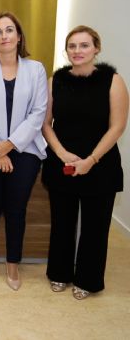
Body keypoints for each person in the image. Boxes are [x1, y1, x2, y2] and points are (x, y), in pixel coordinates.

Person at [41, 26, 128, 300]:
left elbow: (117, 127)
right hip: (62, 162)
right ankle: (59, 274)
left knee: (95, 227)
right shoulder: (56, 80)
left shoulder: (112, 81)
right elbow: (45, 124)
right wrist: (61, 153)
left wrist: (91, 160)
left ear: (96, 48)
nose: (77, 51)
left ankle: (88, 280)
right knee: (62, 223)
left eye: (84, 45)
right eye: (72, 46)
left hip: (100, 165)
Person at [0, 11, 47, 290]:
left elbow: (38, 113)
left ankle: (13, 264)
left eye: (9, 30)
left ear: (19, 35)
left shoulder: (36, 69)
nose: (4, 36)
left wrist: (10, 145)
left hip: (25, 149)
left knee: (16, 209)